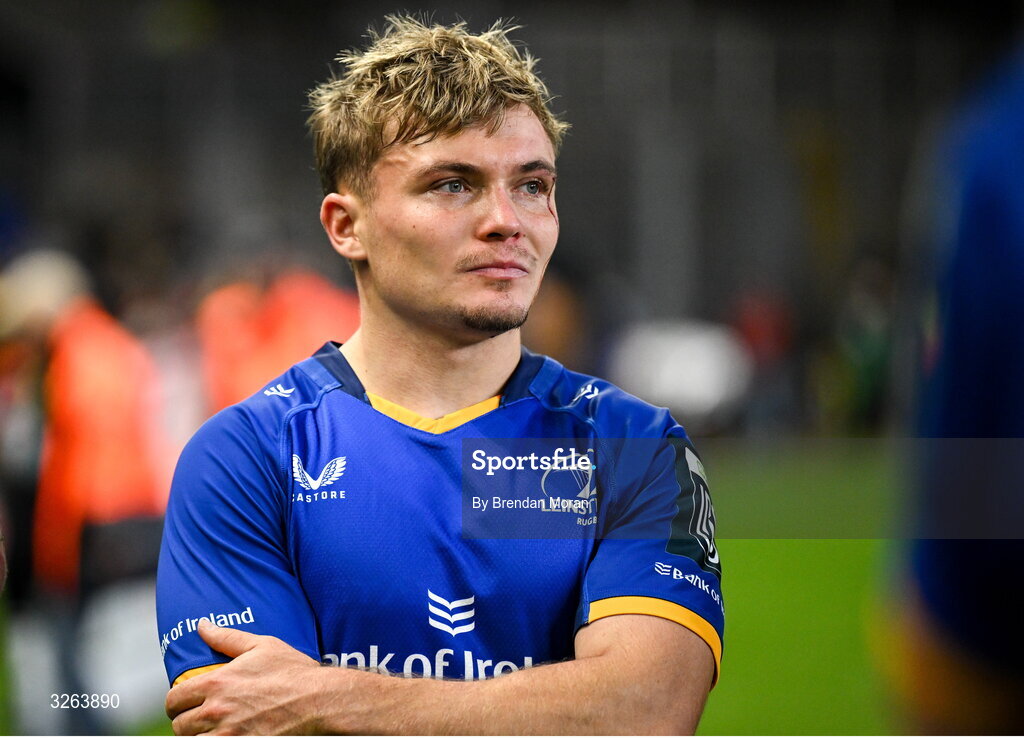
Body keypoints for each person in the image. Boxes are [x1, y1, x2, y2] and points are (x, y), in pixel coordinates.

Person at [157, 15, 723, 735]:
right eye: (453, 185)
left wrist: (329, 700)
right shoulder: (242, 459)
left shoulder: (632, 445)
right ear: (345, 226)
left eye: (532, 185)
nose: (505, 220)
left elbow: (644, 711)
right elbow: (246, 725)